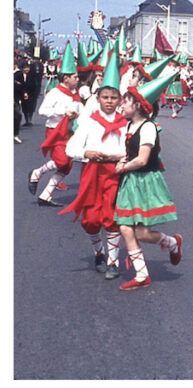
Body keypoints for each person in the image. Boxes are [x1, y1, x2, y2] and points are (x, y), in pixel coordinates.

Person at [59, 48, 126, 278]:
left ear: (119, 100)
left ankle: (113, 262)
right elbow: (71, 147)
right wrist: (87, 152)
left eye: (113, 98)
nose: (109, 102)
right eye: (105, 97)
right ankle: (98, 252)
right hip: (92, 173)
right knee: (90, 220)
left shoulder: (124, 123)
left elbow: (130, 150)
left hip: (114, 173)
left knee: (111, 217)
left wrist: (119, 157)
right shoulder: (89, 121)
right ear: (98, 99)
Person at [113, 72, 184, 291]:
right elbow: (131, 152)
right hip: (131, 180)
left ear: (138, 105)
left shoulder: (148, 128)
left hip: (145, 181)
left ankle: (172, 242)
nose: (121, 105)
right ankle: (142, 274)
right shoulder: (130, 126)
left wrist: (123, 166)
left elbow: (143, 159)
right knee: (125, 228)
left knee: (141, 233)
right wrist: (122, 159)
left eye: (126, 101)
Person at [27, 43, 81, 206]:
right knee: (62, 161)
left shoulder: (75, 95)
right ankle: (36, 172)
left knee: (66, 167)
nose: (77, 80)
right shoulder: (55, 92)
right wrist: (62, 112)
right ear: (66, 78)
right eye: (75, 77)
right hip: (56, 130)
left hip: (70, 132)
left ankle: (46, 195)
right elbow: (43, 111)